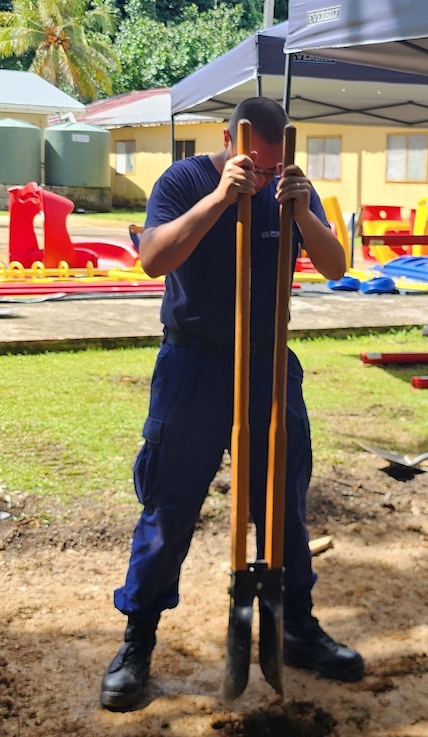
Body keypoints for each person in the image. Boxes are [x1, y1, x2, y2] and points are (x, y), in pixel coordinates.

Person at [101, 97, 360, 712]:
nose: (266, 178)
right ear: (228, 138)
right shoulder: (186, 179)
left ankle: (295, 623)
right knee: (169, 506)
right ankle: (138, 640)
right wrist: (221, 198)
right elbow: (153, 258)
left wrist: (300, 211)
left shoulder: (293, 187)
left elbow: (336, 265)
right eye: (258, 166)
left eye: (274, 169)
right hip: (194, 363)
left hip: (268, 361)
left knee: (282, 504)